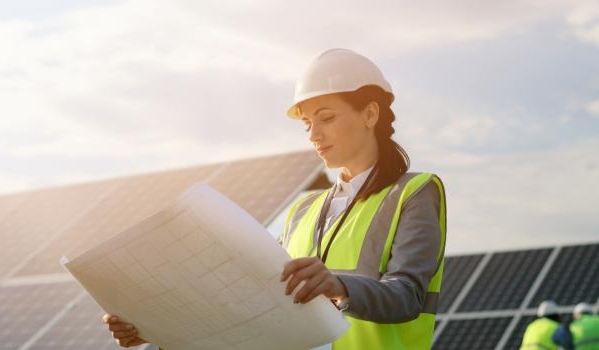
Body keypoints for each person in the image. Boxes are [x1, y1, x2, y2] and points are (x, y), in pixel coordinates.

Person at [102, 48, 447, 350]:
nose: (313, 135)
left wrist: (338, 285)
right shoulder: (301, 210)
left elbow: (407, 295)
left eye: (326, 118)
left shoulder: (415, 192)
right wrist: (158, 330)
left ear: (370, 114)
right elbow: (257, 304)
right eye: (308, 124)